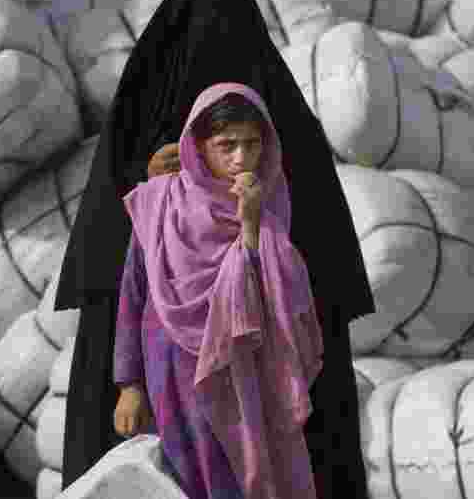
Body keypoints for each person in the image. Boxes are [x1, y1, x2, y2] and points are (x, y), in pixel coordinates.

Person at [54, 0, 376, 498]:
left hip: (260, 348)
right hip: (165, 352)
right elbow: (127, 263)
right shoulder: (268, 126)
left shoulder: (170, 109)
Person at [113, 83, 322, 499]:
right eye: (226, 145)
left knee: (245, 474)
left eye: (251, 144)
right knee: (183, 477)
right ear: (198, 146)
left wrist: (251, 225)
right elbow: (132, 294)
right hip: (171, 371)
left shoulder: (272, 201)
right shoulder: (161, 203)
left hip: (242, 373)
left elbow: (280, 298)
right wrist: (129, 385)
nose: (241, 158)